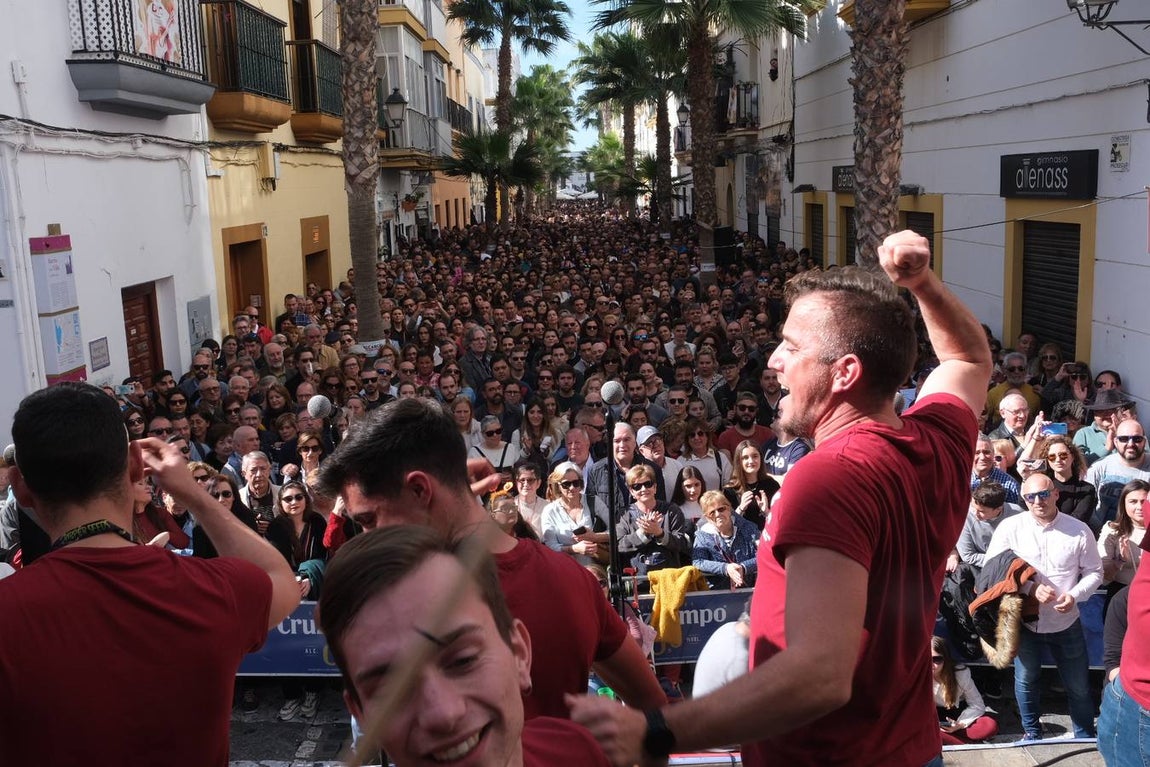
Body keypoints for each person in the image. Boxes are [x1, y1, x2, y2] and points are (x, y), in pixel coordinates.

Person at [570, 230, 992, 767]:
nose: (773, 360)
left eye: (792, 347)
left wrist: (657, 731)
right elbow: (969, 357)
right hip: (911, 749)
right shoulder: (939, 441)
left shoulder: (830, 477)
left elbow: (821, 677)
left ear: (845, 372)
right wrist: (922, 283)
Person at [0, 382, 299, 765]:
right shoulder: (208, 589)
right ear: (134, 466)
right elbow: (279, 580)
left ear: (20, 487)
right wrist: (192, 492)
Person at [314, 398, 666, 720]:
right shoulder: (570, 579)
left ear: (421, 489)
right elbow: (657, 715)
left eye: (369, 520)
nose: (368, 537)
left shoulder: (398, 604)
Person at [316, 526, 611, 766]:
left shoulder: (578, 751)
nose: (444, 714)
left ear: (519, 653)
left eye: (463, 661)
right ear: (361, 713)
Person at [982, 473, 1103, 741]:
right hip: (1024, 620)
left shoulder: (1079, 529)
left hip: (1066, 620)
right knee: (1026, 680)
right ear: (1023, 499)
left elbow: (1095, 571)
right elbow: (992, 571)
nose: (1038, 501)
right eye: (1030, 496)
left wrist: (1075, 594)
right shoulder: (1010, 527)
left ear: (1056, 494)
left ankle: (1084, 736)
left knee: (1078, 684)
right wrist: (1030, 588)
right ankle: (1032, 734)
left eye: (1044, 494)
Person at [615, 464, 690, 577]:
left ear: (655, 487)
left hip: (669, 577)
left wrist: (660, 533)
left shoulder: (671, 510)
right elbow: (620, 545)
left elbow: (681, 544)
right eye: (637, 486)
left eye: (648, 484)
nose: (643, 489)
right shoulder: (624, 514)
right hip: (637, 579)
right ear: (631, 491)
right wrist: (643, 533)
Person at [1086, 419, 1150, 532]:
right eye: (1124, 439)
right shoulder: (1099, 467)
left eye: (1137, 439)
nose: (1130, 444)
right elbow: (1084, 502)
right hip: (1101, 534)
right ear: (1115, 442)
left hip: (1142, 535)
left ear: (1144, 442)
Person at [931, 636, 997, 745]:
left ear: (945, 659)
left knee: (989, 725)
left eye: (936, 659)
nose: (931, 664)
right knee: (920, 729)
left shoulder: (960, 674)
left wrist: (959, 724)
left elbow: (977, 705)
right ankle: (965, 743)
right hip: (931, 717)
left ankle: (947, 738)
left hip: (956, 714)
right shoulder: (916, 675)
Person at [693, 490, 758, 589]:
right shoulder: (702, 535)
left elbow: (762, 555)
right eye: (712, 512)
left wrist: (744, 567)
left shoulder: (749, 528)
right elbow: (698, 562)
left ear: (729, 508)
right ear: (706, 517)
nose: (717, 514)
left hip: (750, 589)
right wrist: (725, 568)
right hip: (717, 592)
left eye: (721, 509)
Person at [955, 482, 1021, 571]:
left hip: (1017, 564)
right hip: (983, 567)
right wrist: (1002, 563)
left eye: (981, 511)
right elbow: (968, 555)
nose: (975, 513)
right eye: (973, 507)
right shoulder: (965, 517)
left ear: (999, 509)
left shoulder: (1017, 515)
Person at [1098, 479, 1146, 589]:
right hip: (1119, 590)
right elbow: (1103, 576)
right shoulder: (1112, 530)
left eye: (1144, 502)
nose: (1139, 507)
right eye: (1133, 501)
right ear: (1123, 504)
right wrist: (1120, 561)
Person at [722, 440, 779, 530]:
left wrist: (767, 512)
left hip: (766, 535)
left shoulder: (772, 485)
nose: (751, 461)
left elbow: (780, 520)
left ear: (761, 458)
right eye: (745, 458)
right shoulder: (730, 490)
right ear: (739, 461)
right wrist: (741, 509)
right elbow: (726, 526)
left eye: (755, 456)